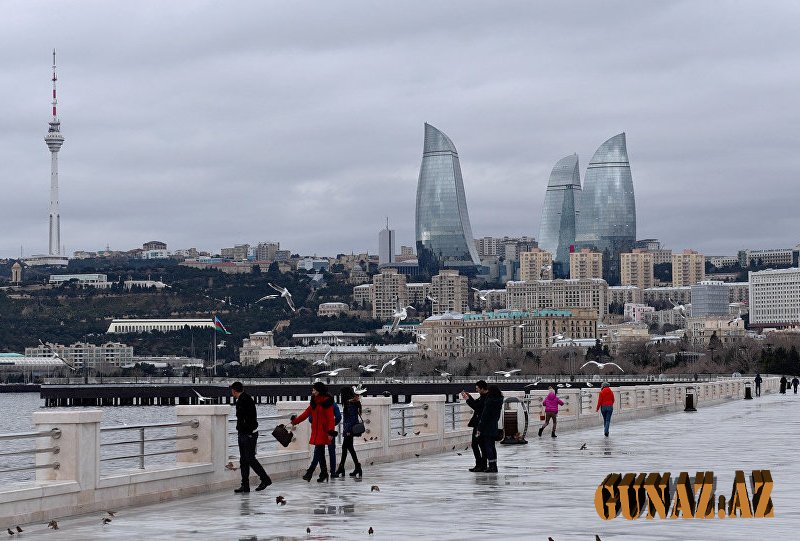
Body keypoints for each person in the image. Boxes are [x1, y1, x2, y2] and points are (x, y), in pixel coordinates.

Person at [290, 381, 336, 483]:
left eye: (314, 389)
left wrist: (330, 432)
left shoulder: (326, 402)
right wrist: (295, 421)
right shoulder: (314, 402)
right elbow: (305, 414)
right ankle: (323, 473)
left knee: (319, 451)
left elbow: (330, 419)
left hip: (324, 432)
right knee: (320, 453)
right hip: (316, 431)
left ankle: (310, 472)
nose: (312, 391)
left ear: (319, 391)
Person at [230, 381, 272, 493]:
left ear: (234, 391)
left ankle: (265, 479)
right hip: (247, 432)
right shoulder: (246, 398)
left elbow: (246, 418)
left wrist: (247, 431)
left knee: (249, 459)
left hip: (247, 434)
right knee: (244, 460)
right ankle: (245, 485)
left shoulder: (242, 401)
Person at [333, 386, 362, 478]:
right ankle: (357, 467)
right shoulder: (351, 402)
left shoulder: (349, 403)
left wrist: (348, 431)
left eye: (341, 394)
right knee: (349, 448)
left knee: (346, 447)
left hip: (349, 430)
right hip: (349, 429)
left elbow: (352, 419)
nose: (340, 395)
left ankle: (342, 467)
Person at [461, 380, 488, 472]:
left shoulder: (485, 398)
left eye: (477, 389)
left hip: (480, 425)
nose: (476, 390)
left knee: (477, 444)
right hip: (479, 424)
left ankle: (481, 465)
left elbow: (477, 407)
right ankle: (481, 465)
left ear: (482, 388)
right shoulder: (483, 397)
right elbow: (477, 404)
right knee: (480, 445)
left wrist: (467, 400)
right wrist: (469, 397)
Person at [475, 385, 503, 473]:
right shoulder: (499, 401)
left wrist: (479, 428)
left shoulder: (489, 401)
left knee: (488, 447)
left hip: (487, 427)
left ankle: (491, 466)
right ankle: (494, 465)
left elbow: (484, 416)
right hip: (494, 425)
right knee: (492, 447)